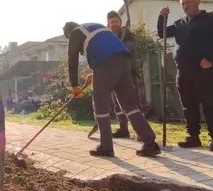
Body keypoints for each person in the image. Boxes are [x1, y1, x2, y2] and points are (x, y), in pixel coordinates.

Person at [63, 21, 160, 157]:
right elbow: (105, 49)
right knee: (129, 105)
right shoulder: (95, 26)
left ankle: (106, 146)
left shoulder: (74, 33)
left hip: (105, 64)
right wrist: (95, 71)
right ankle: (150, 143)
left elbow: (72, 60)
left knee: (100, 105)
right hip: (124, 60)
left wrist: (74, 86)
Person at [158, 0, 213, 151]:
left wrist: (210, 58)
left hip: (204, 70)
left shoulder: (211, 20)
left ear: (198, 2)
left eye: (188, 2)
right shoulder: (179, 23)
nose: (185, 6)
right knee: (188, 105)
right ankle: (193, 137)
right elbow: (161, 33)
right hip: (183, 71)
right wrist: (162, 17)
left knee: (209, 104)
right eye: (182, 3)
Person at [105, 10, 150, 139]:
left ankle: (142, 132)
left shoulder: (128, 35)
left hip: (129, 73)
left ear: (120, 22)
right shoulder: (107, 37)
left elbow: (128, 48)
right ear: (108, 24)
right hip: (114, 74)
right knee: (117, 103)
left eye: (116, 21)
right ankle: (123, 129)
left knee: (134, 101)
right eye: (112, 22)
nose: (114, 24)